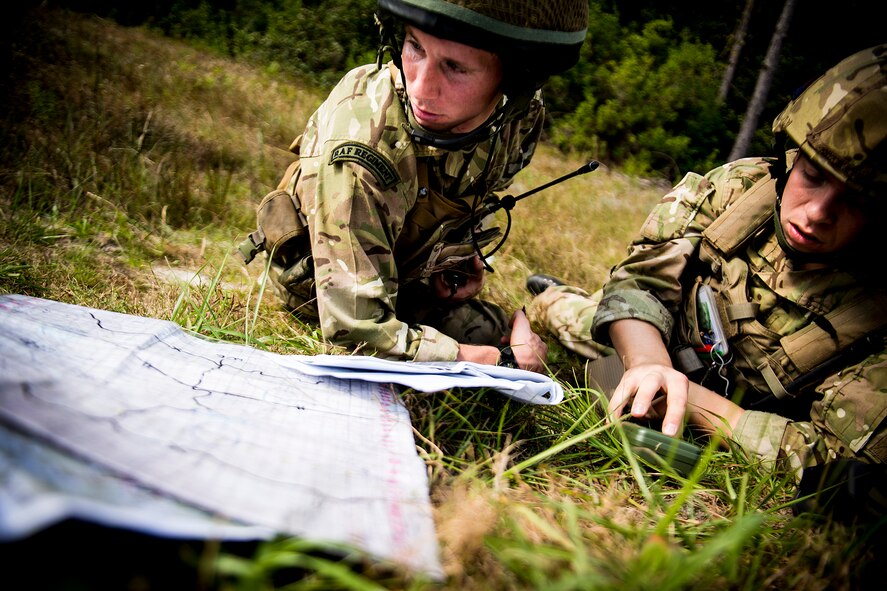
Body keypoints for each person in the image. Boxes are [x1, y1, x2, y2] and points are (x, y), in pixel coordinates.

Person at [525, 45, 887, 510]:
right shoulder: (740, 189)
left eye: (854, 202)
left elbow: (832, 462)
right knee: (565, 315)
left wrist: (693, 402)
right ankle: (554, 295)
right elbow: (640, 282)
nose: (817, 214)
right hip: (661, 338)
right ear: (792, 153)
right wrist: (648, 364)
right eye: (813, 174)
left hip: (738, 412)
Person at [239, 0, 588, 372]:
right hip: (321, 290)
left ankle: (555, 303)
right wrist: (495, 360)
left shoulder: (519, 116)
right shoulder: (362, 143)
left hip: (410, 275)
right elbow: (357, 329)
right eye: (415, 47)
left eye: (455, 67)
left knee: (492, 329)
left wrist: (447, 262)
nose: (422, 86)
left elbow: (469, 191)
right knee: (495, 345)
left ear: (513, 79)